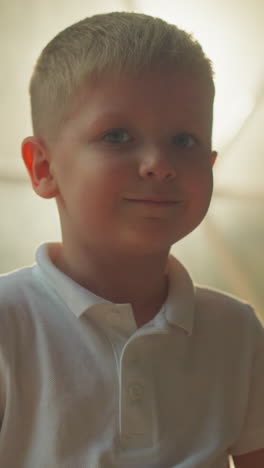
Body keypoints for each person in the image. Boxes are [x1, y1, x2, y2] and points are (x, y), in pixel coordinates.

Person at [0, 11, 263, 468]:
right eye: (117, 135)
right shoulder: (9, 324)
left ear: (212, 163)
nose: (158, 163)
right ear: (43, 168)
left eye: (184, 140)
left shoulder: (237, 331)